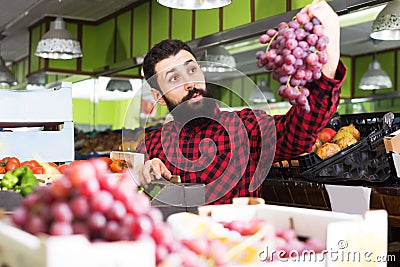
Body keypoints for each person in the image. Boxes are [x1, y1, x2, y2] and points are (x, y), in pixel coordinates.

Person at [134, 1, 346, 205]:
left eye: (192, 70)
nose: (190, 83)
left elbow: (298, 132)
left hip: (237, 240)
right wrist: (147, 179)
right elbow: (131, 205)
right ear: (159, 96)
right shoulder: (150, 145)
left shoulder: (247, 127)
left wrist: (329, 66)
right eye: (174, 78)